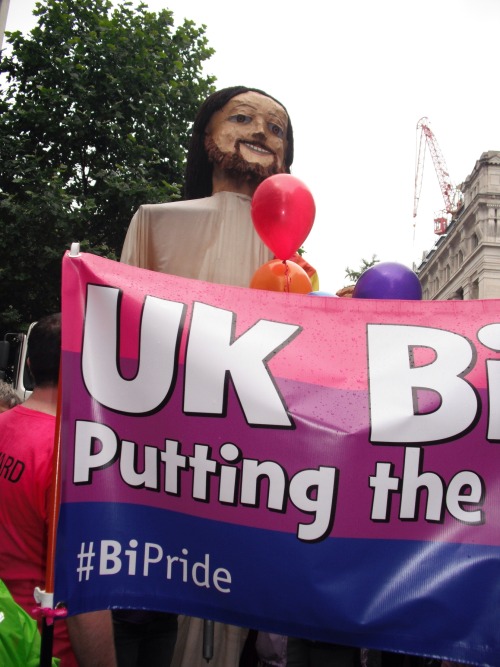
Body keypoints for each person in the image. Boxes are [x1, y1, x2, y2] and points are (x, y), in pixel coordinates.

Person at [0, 314, 116, 667]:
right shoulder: (72, 458)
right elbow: (85, 600)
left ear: (31, 365)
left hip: (10, 636)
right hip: (49, 649)